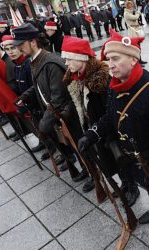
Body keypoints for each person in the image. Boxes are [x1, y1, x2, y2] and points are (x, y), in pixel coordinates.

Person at [78, 30, 149, 246]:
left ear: (133, 59)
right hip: (132, 157)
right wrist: (92, 134)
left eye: (115, 58)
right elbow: (110, 118)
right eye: (108, 59)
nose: (109, 65)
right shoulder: (114, 84)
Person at [13, 23, 92, 191]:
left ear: (33, 42)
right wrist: (25, 96)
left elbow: (58, 98)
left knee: (80, 146)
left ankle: (94, 174)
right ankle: (87, 169)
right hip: (59, 114)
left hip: (67, 114)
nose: (18, 48)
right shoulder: (36, 60)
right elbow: (40, 85)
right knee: (73, 146)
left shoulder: (50, 63)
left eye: (21, 44)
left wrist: (44, 124)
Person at [61, 36, 114, 191]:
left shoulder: (100, 78)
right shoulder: (76, 77)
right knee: (105, 158)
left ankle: (129, 185)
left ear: (82, 58)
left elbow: (108, 109)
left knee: (118, 159)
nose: (66, 63)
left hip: (105, 127)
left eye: (70, 59)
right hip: (91, 126)